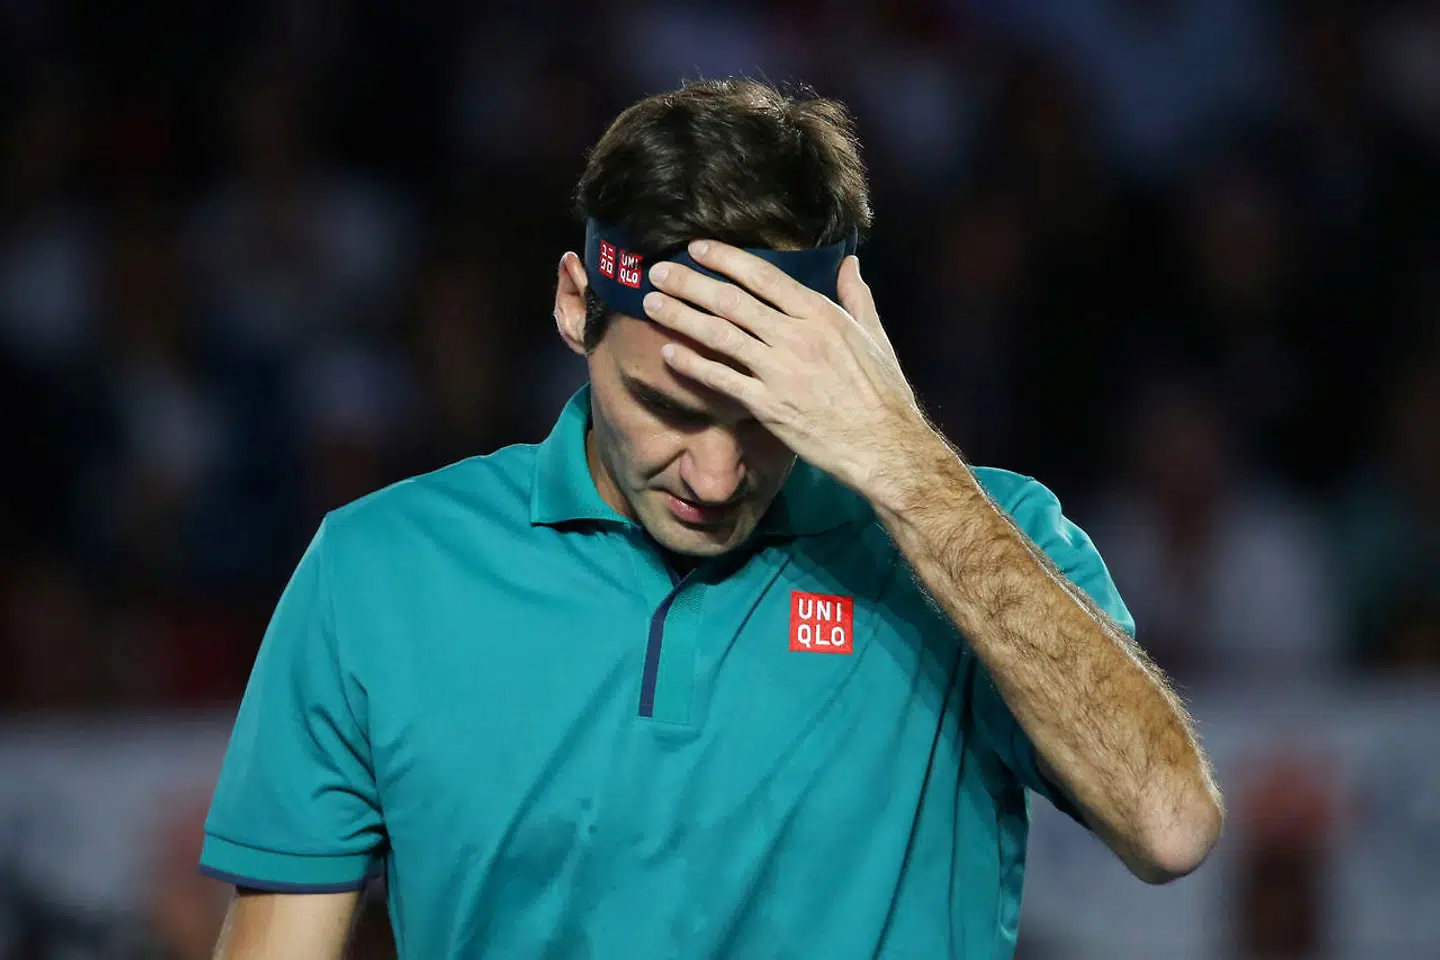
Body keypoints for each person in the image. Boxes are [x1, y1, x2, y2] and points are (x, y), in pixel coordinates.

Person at [200, 78, 1223, 959]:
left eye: (766, 415)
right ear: (575, 306)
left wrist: (908, 468)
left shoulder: (984, 541)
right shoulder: (377, 572)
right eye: (668, 405)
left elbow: (1170, 824)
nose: (718, 473)